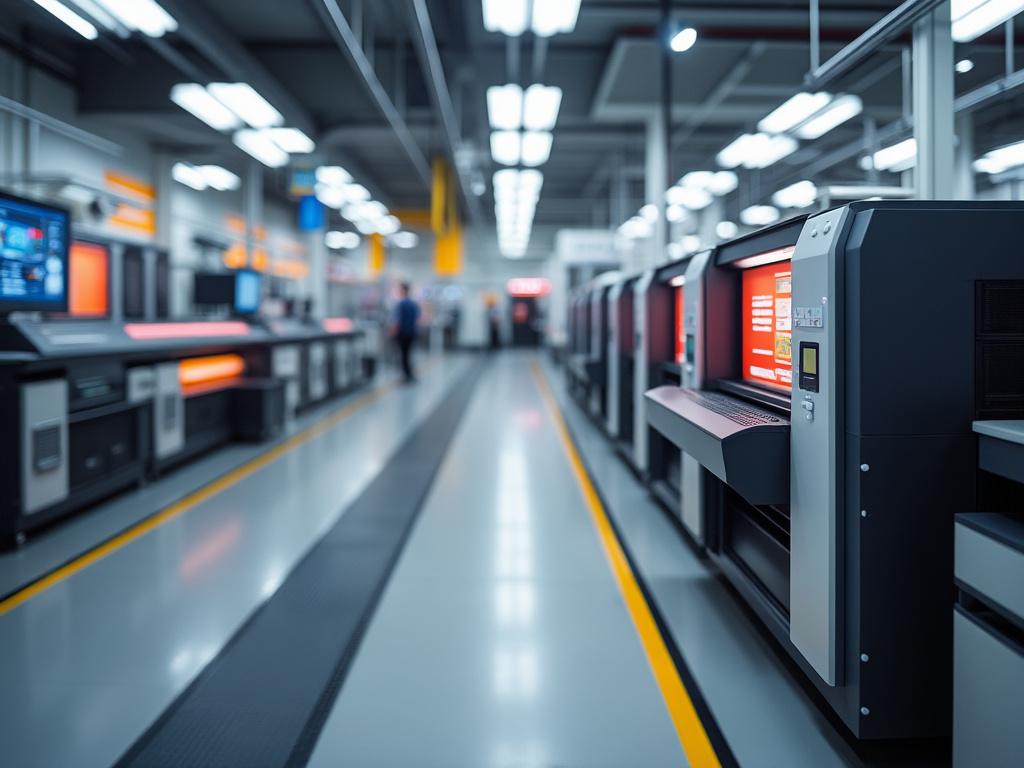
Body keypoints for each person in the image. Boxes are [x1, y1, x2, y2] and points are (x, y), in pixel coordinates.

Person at [393, 282, 420, 382]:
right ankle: (410, 374)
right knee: (409, 354)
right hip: (412, 333)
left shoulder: (402, 304)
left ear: (403, 290)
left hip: (403, 333)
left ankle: (407, 375)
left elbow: (397, 320)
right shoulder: (413, 304)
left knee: (404, 355)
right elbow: (418, 318)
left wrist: (394, 331)